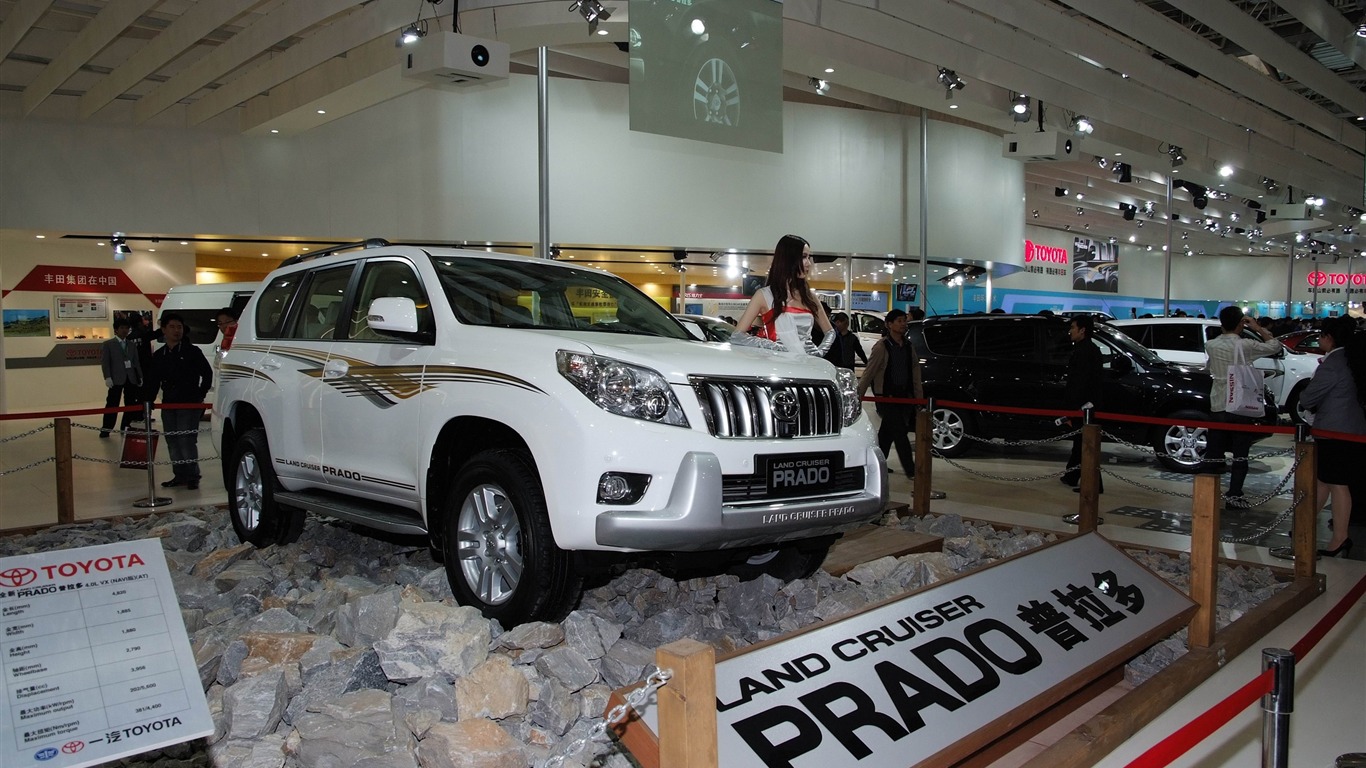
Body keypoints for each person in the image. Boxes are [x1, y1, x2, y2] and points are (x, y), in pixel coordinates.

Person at [1203, 305, 1283, 508]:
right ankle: (1234, 495)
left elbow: (1209, 368)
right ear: (1241, 323)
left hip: (1219, 403)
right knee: (1240, 455)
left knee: (1214, 455)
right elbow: (1274, 346)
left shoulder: (1211, 345)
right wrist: (1257, 327)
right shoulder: (1245, 345)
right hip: (1240, 405)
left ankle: (1207, 496)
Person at [1297, 317, 1365, 558]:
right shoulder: (1353, 357)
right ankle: (1303, 526)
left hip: (1334, 431)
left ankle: (1339, 538)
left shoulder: (1334, 363)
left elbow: (1308, 399)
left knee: (1337, 484)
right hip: (1351, 430)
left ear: (1328, 337)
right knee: (1324, 481)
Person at [731, 235, 834, 356]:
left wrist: (820, 352)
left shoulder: (809, 296)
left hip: (808, 365)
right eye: (803, 257)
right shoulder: (764, 295)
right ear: (788, 259)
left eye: (809, 257)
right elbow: (737, 336)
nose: (808, 263)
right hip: (779, 365)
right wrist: (773, 347)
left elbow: (830, 332)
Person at [150, 312, 213, 490]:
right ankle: (179, 475)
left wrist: (200, 394)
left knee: (186, 440)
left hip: (189, 403)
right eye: (172, 327)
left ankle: (192, 475)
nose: (176, 331)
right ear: (163, 329)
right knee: (172, 440)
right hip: (169, 403)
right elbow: (153, 379)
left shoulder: (192, 351)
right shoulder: (160, 355)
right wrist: (148, 402)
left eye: (179, 327)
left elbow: (206, 374)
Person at [858, 309, 921, 476]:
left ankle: (877, 465)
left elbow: (915, 372)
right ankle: (911, 470)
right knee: (900, 433)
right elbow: (869, 372)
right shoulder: (882, 347)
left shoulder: (908, 346)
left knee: (887, 433)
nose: (903, 324)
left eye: (904, 321)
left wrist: (918, 397)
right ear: (889, 324)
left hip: (904, 397)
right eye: (899, 321)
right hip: (886, 396)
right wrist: (858, 396)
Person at [1059, 315, 1104, 495]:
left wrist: (1072, 410)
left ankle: (1094, 484)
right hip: (1086, 405)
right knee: (1080, 443)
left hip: (1084, 407)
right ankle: (1071, 475)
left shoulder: (1084, 352)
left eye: (1073, 327)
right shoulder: (1089, 349)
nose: (1070, 331)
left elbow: (1080, 383)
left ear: (1082, 330)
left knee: (1085, 444)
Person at [98, 318, 144, 437]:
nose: (125, 330)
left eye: (126, 328)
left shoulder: (131, 344)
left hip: (131, 378)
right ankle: (106, 429)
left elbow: (136, 362)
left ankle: (126, 427)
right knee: (112, 403)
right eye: (122, 328)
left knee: (130, 404)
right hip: (116, 378)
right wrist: (107, 377)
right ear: (116, 330)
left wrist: (140, 376)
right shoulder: (108, 344)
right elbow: (105, 363)